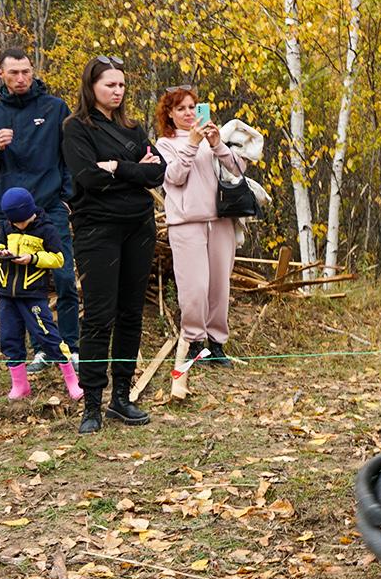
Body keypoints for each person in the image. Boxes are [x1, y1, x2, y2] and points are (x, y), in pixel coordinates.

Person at [61, 55, 164, 434]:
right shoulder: (75, 128)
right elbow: (88, 177)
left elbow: (158, 172)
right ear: (92, 87)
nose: (117, 91)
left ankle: (122, 397)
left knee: (130, 313)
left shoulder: (133, 128)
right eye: (110, 85)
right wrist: (134, 169)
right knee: (100, 315)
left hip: (138, 227)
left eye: (121, 85)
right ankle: (92, 404)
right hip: (97, 229)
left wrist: (118, 167)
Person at [0, 48, 78, 362]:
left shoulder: (55, 108)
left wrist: (67, 199)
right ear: (0, 74)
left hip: (51, 206)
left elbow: (69, 154)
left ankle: (71, 347)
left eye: (26, 71)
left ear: (33, 71)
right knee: (24, 285)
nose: (21, 78)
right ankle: (42, 349)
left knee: (64, 277)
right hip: (13, 214)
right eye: (13, 72)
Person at [152, 87, 262, 398]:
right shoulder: (165, 144)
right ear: (169, 115)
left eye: (192, 107)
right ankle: (194, 342)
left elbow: (238, 170)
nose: (188, 113)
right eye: (181, 108)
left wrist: (217, 145)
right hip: (187, 224)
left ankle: (217, 344)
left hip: (221, 221)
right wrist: (192, 144)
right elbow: (173, 178)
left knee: (219, 285)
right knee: (194, 287)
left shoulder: (211, 141)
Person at [0, 187, 86, 402]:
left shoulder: (46, 228)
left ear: (29, 212)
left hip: (32, 294)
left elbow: (58, 258)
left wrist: (32, 258)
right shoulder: (7, 226)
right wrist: (0, 253)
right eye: (14, 222)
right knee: (9, 338)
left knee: (48, 335)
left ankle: (72, 380)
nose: (17, 225)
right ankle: (20, 385)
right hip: (7, 294)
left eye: (20, 222)